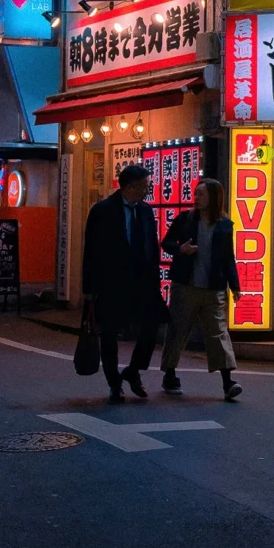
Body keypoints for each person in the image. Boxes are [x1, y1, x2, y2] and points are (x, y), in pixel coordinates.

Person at [83, 165, 166, 403]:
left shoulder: (146, 211)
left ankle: (132, 371)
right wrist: (88, 289)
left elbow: (153, 247)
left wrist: (156, 280)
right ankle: (114, 383)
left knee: (151, 326)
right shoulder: (102, 211)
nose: (147, 191)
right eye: (144, 186)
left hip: (143, 283)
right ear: (130, 186)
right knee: (109, 333)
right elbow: (91, 251)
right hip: (111, 283)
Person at [160, 179, 243, 400]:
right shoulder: (185, 219)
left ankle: (228, 382)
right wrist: (181, 249)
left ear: (214, 197)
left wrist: (235, 286)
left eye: (201, 194)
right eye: (195, 194)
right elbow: (166, 243)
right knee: (178, 330)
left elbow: (228, 258)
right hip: (185, 285)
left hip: (214, 288)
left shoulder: (225, 224)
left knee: (219, 333)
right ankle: (170, 374)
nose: (196, 198)